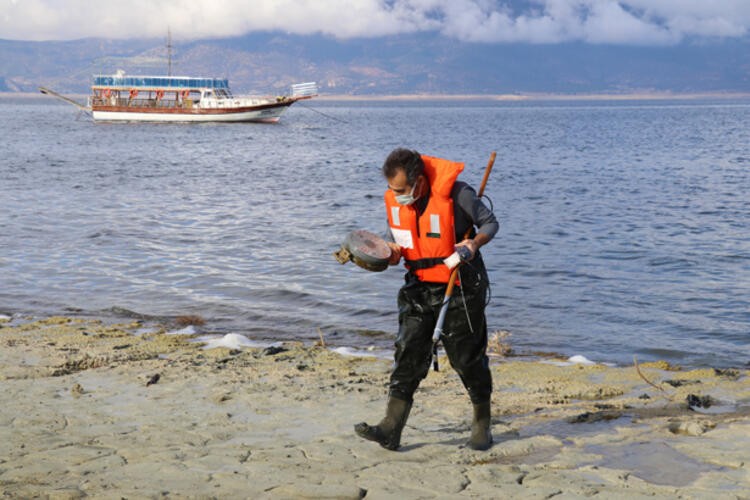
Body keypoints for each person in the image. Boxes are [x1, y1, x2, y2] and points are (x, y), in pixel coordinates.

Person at [355, 148, 498, 451]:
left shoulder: (458, 194)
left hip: (460, 284)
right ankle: (390, 428)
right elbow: (395, 242)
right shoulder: (395, 200)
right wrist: (385, 253)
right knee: (407, 351)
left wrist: (473, 243)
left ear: (419, 181)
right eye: (393, 190)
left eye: (403, 190)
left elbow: (490, 223)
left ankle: (482, 425)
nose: (398, 196)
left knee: (466, 358)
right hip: (418, 286)